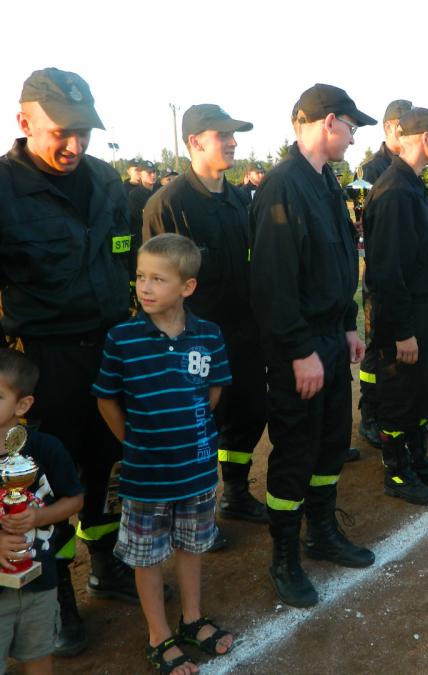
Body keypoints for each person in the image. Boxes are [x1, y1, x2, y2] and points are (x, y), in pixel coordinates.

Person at [0, 67, 137, 656]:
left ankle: (105, 563)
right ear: (24, 122)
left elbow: (124, 260)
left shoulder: (106, 180)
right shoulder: (4, 190)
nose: (75, 144)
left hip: (107, 352)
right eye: (61, 132)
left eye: (83, 131)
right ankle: (55, 597)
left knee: (103, 467)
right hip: (42, 363)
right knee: (43, 482)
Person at [251, 83, 376, 608]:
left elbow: (338, 262)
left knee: (329, 443)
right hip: (298, 347)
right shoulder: (283, 186)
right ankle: (284, 556)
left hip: (328, 337)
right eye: (351, 126)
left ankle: (321, 531)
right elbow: (274, 282)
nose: (353, 137)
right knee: (296, 451)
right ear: (328, 122)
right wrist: (300, 350)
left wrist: (347, 324)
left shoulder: (325, 181)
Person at [93, 234, 235, 674]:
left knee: (192, 547)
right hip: (146, 475)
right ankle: (159, 635)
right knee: (148, 556)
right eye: (140, 277)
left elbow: (213, 392)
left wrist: (190, 429)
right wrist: (133, 441)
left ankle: (192, 619)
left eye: (158, 279)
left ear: (187, 287)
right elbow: (106, 399)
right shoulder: (123, 338)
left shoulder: (208, 334)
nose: (145, 287)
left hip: (196, 470)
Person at [143, 104, 268, 528]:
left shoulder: (238, 200)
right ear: (195, 142)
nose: (233, 143)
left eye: (234, 135)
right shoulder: (168, 204)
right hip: (191, 344)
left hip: (242, 335)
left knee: (249, 413)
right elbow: (157, 285)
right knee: (196, 427)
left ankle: (235, 491)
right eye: (223, 135)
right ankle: (192, 516)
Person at [364, 107, 428, 506]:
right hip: (403, 313)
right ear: (425, 137)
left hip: (424, 307)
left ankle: (417, 460)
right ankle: (397, 471)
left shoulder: (412, 184)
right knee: (401, 393)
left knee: (424, 388)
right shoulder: (394, 191)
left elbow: (427, 253)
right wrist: (403, 331)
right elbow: (386, 271)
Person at [0, 350, 84, 675]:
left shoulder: (46, 448)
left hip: (40, 583)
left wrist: (37, 517)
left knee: (39, 658)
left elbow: (74, 501)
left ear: (22, 405)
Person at [356, 98, 414, 449]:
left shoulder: (408, 166)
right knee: (377, 344)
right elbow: (363, 220)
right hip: (380, 270)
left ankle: (398, 409)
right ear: (390, 127)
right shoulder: (372, 168)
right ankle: (370, 413)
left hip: (406, 273)